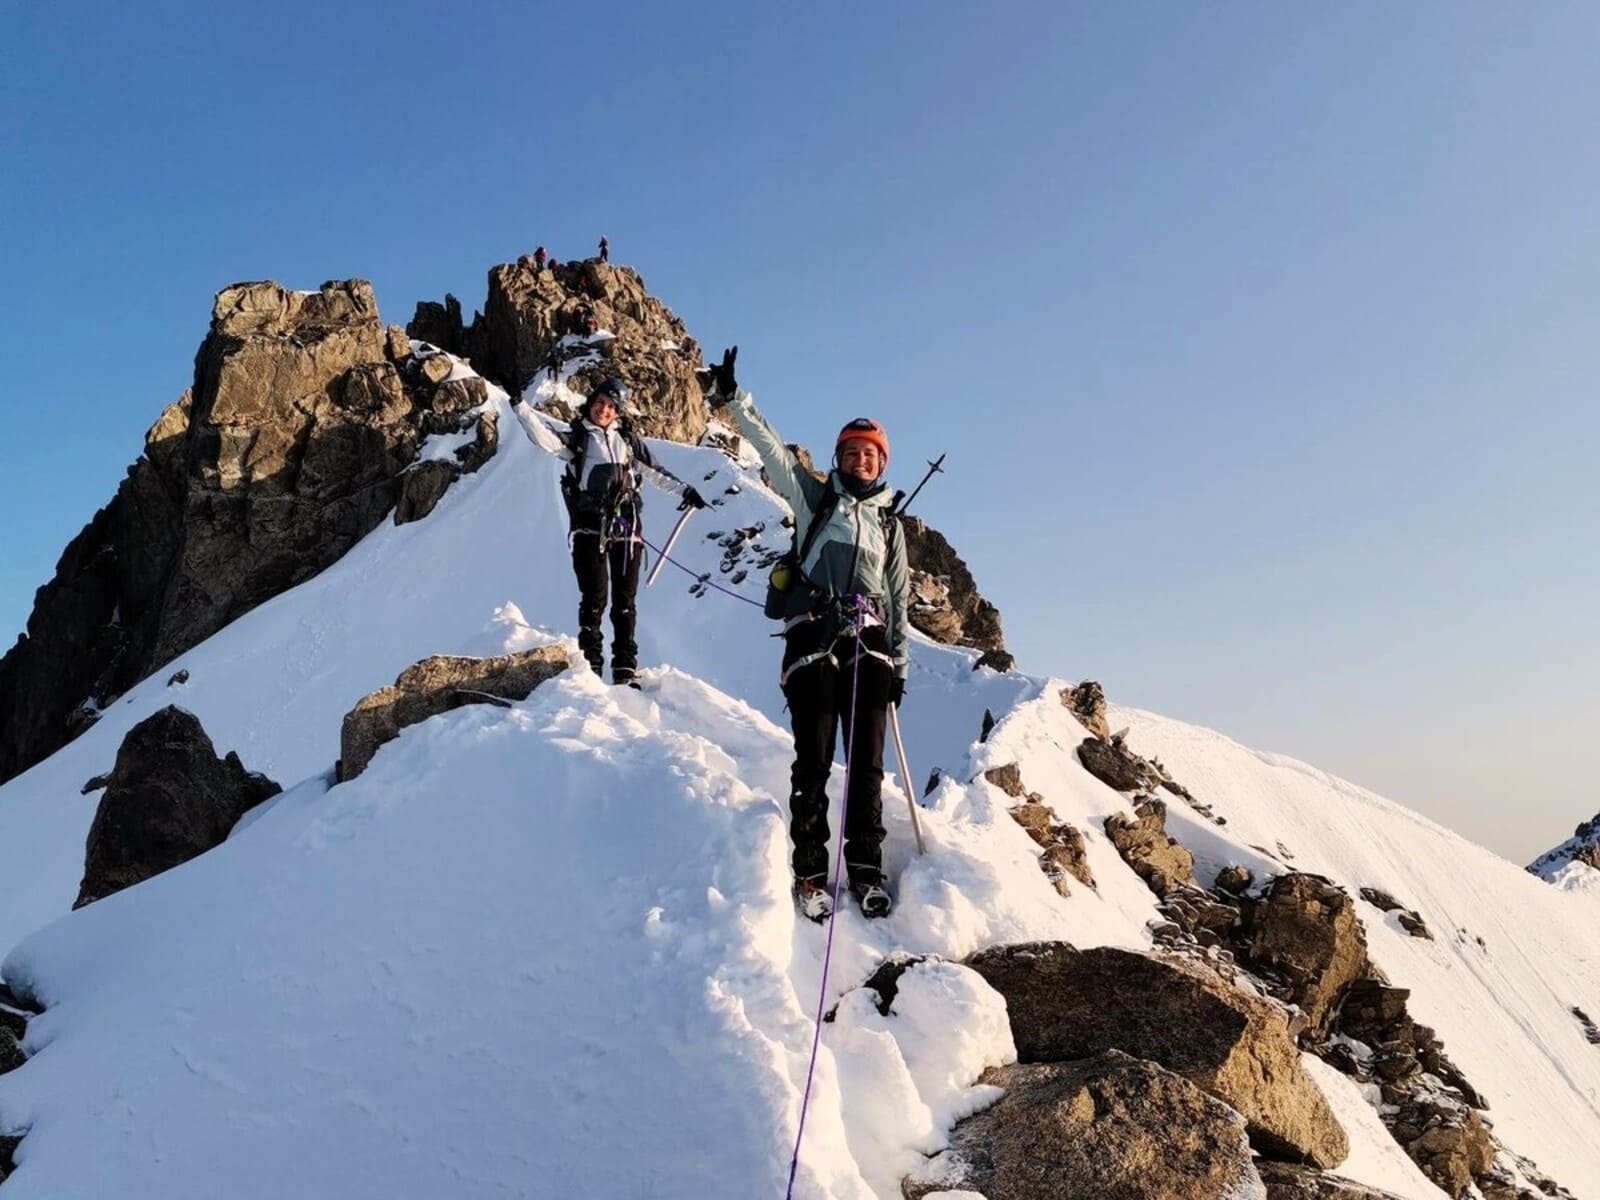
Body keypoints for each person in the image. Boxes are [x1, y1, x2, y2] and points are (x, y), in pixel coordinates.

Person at [702, 347, 908, 921]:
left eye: (870, 453)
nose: (861, 460)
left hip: (870, 645)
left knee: (866, 764)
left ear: (881, 463)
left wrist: (900, 667)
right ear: (839, 458)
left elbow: (898, 600)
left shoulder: (889, 524)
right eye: (852, 451)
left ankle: (865, 869)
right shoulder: (815, 500)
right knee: (813, 758)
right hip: (814, 637)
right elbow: (773, 452)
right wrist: (735, 400)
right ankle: (811, 872)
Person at [511, 376, 706, 686]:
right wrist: (519, 405)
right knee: (594, 596)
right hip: (590, 526)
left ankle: (624, 667)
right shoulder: (578, 439)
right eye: (600, 402)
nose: (604, 409)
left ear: (618, 412)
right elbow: (545, 439)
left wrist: (686, 491)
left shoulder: (627, 441)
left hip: (627, 526)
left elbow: (655, 472)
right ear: (591, 402)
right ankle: (591, 664)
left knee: (625, 600)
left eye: (611, 406)